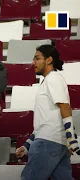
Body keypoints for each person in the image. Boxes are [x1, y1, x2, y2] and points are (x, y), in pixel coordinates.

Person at [15, 45, 79, 180]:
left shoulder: (53, 78)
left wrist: (71, 138)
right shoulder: (49, 80)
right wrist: (27, 145)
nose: (33, 63)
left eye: (37, 58)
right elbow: (45, 120)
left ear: (49, 60)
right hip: (56, 142)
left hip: (48, 142)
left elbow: (65, 107)